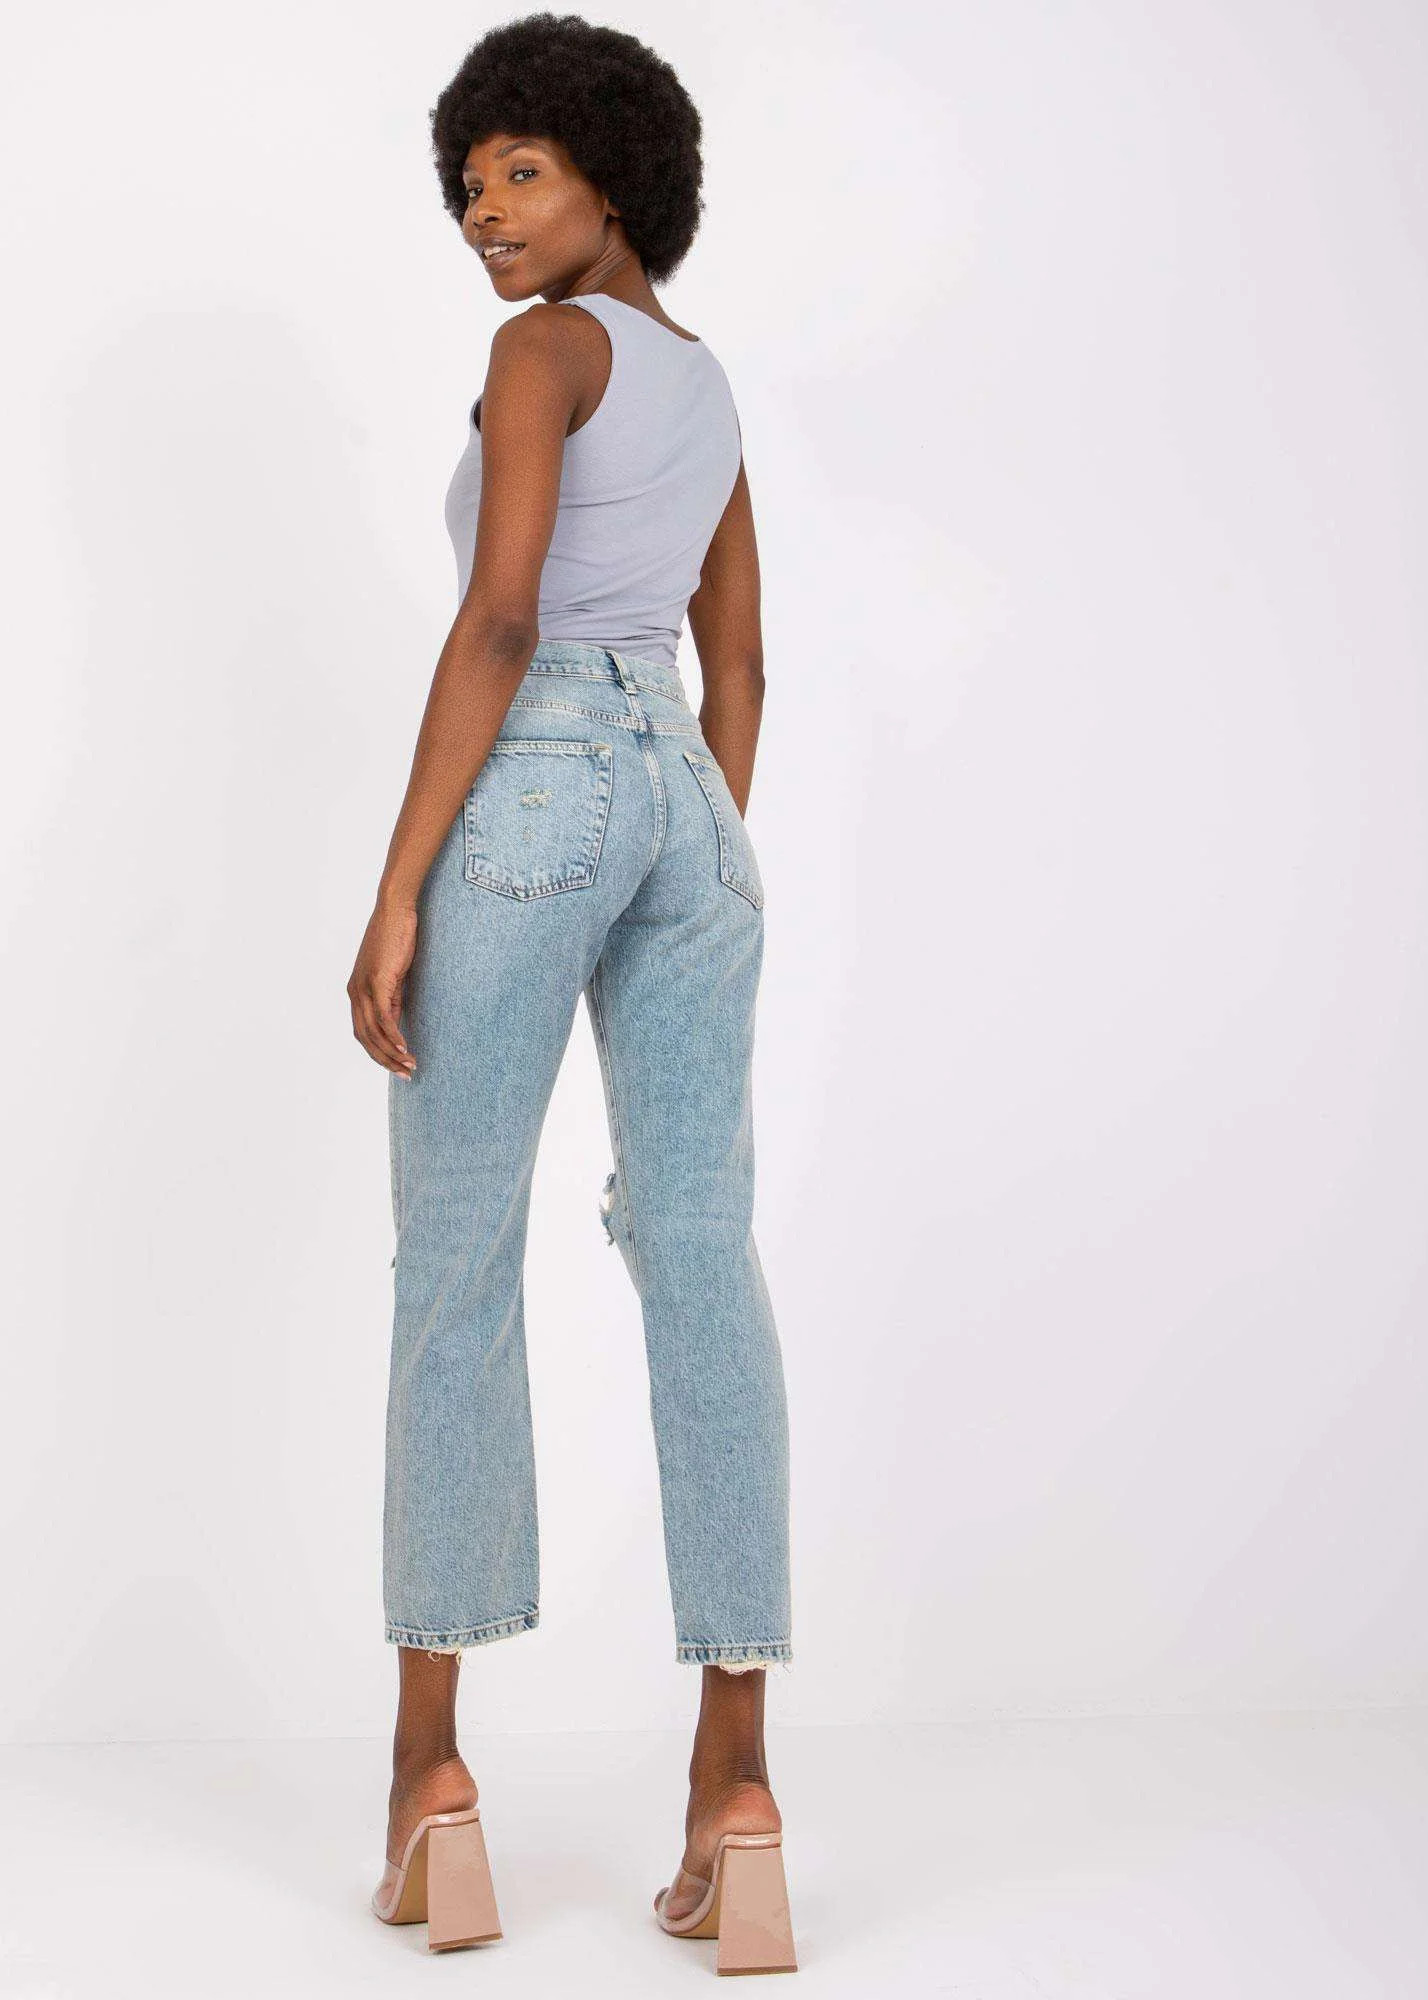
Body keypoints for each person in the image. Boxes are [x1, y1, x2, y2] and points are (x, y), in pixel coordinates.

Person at [346, 13, 797, 1968]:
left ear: (619, 174)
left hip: (530, 776)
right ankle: (738, 1790)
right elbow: (739, 665)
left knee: (455, 1258)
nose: (486, 214)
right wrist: (683, 840)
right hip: (694, 809)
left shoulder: (545, 352)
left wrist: (400, 889)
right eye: (470, 186)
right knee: (701, 1254)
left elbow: (505, 615)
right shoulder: (710, 387)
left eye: (521, 172)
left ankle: (428, 1780)